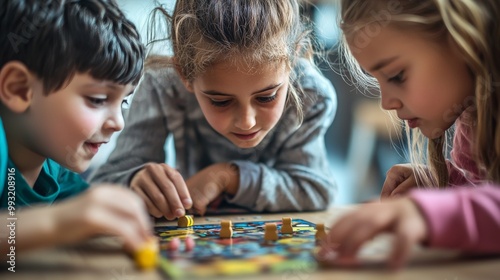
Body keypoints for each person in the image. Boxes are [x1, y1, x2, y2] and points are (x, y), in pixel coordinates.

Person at [90, 0, 338, 218]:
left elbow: (315, 190)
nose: (246, 121)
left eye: (267, 97)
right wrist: (134, 181)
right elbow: (101, 186)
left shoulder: (310, 94)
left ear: (293, 59)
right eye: (220, 101)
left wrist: (227, 177)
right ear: (184, 73)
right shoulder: (162, 85)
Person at [319, 0, 500, 269]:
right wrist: (441, 183)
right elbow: (486, 190)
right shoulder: (471, 115)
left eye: (396, 75)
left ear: (464, 39)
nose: (386, 103)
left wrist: (427, 213)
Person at [0, 0, 153, 259]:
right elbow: (71, 218)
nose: (119, 123)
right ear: (18, 89)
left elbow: (93, 213)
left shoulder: (54, 170)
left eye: (123, 101)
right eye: (98, 99)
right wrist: (57, 223)